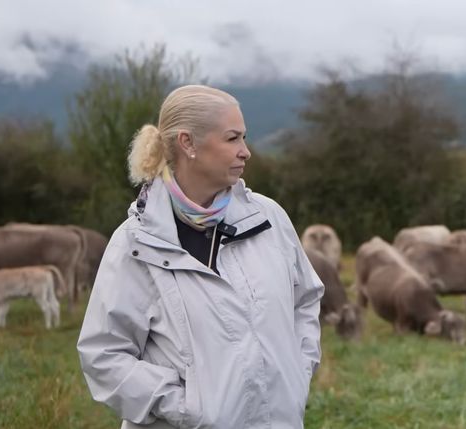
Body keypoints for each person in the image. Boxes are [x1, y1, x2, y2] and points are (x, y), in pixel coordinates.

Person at [77, 84, 324, 428]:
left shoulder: (268, 218)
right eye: (232, 138)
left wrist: (297, 372)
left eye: (244, 137)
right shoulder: (136, 244)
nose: (246, 152)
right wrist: (187, 409)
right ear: (188, 143)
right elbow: (103, 355)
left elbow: (306, 300)